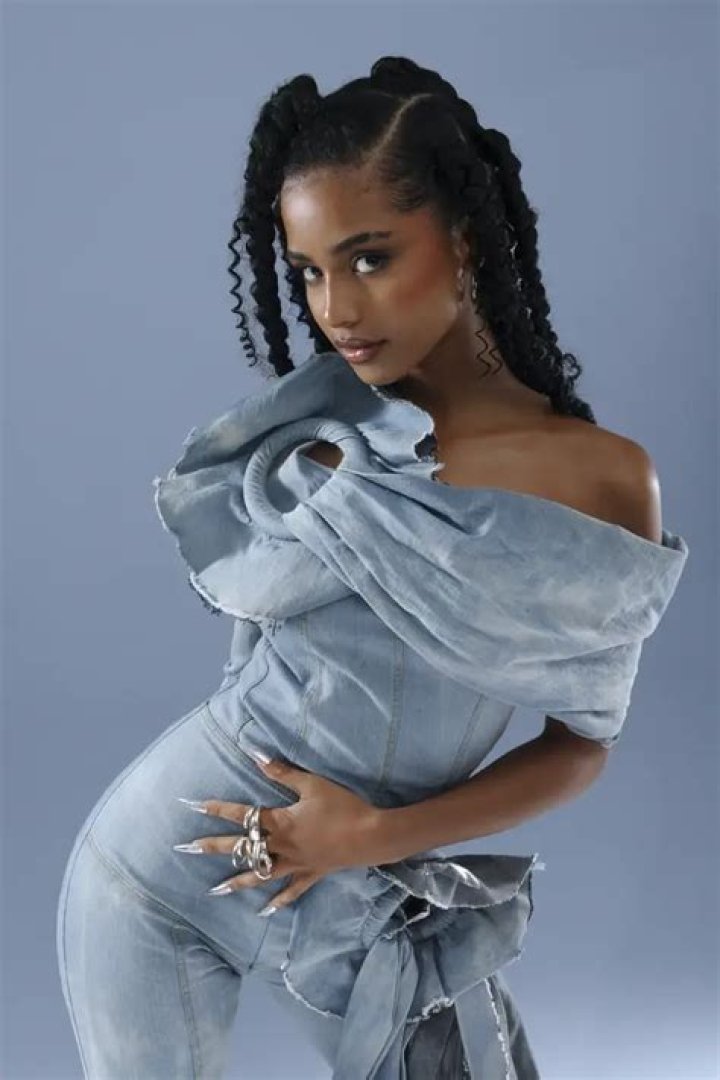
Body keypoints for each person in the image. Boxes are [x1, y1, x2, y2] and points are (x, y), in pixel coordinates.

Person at [55, 56, 689, 1079]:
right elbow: (255, 675)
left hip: (358, 873)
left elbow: (580, 748)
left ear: (464, 236)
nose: (336, 309)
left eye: (369, 258)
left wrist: (365, 840)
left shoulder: (606, 480)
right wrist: (333, 838)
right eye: (309, 271)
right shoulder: (325, 447)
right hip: (157, 875)